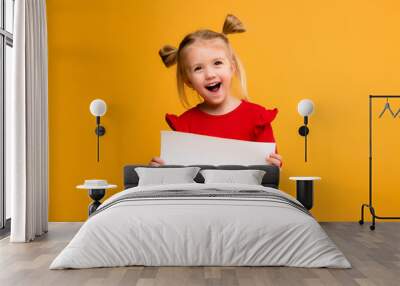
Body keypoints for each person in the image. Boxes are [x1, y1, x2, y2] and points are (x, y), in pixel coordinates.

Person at [150, 14, 282, 167]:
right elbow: (178, 181)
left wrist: (274, 166)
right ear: (188, 81)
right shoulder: (185, 126)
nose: (210, 74)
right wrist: (158, 172)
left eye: (217, 63)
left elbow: (268, 177)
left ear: (232, 68)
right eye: (198, 68)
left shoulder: (257, 119)